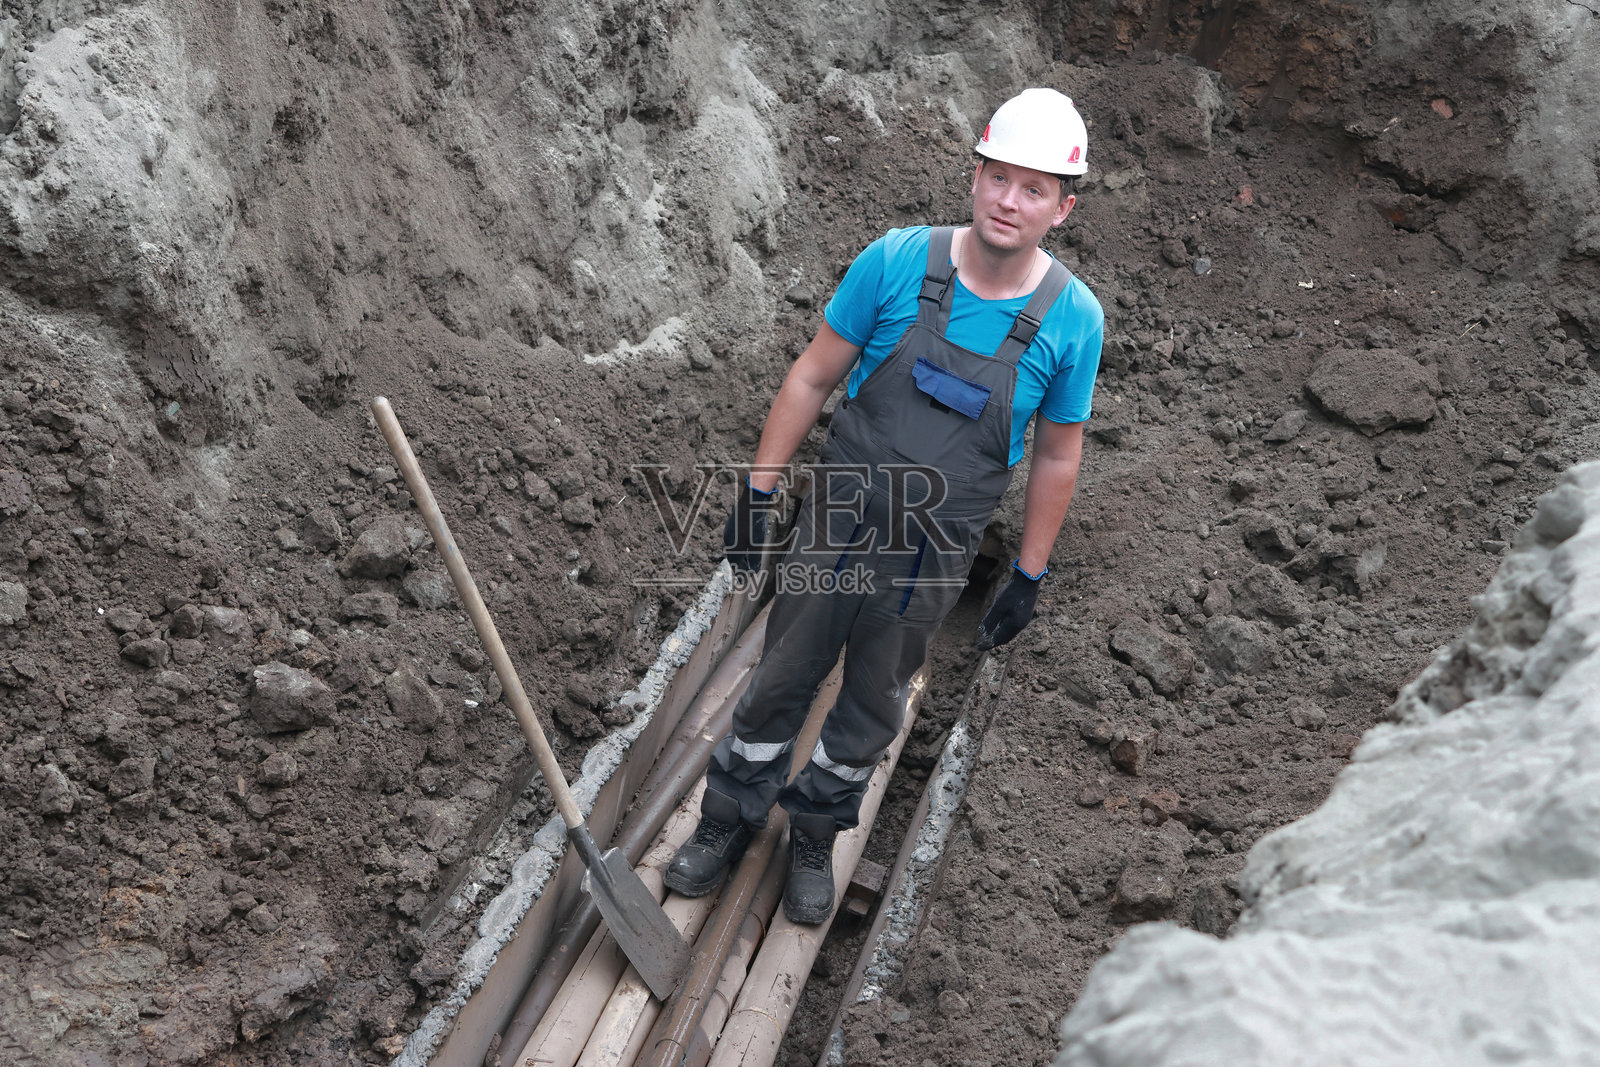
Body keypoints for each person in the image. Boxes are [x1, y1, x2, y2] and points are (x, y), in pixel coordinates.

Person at [665, 87, 1105, 924]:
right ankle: (727, 818)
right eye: (998, 177)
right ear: (975, 173)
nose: (1009, 201)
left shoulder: (1073, 320)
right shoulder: (900, 261)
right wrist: (759, 493)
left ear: (1064, 206)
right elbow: (812, 375)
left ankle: (815, 829)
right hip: (838, 518)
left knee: (873, 699)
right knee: (781, 677)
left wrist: (1029, 572)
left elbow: (1057, 451)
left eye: (1034, 188)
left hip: (931, 551)